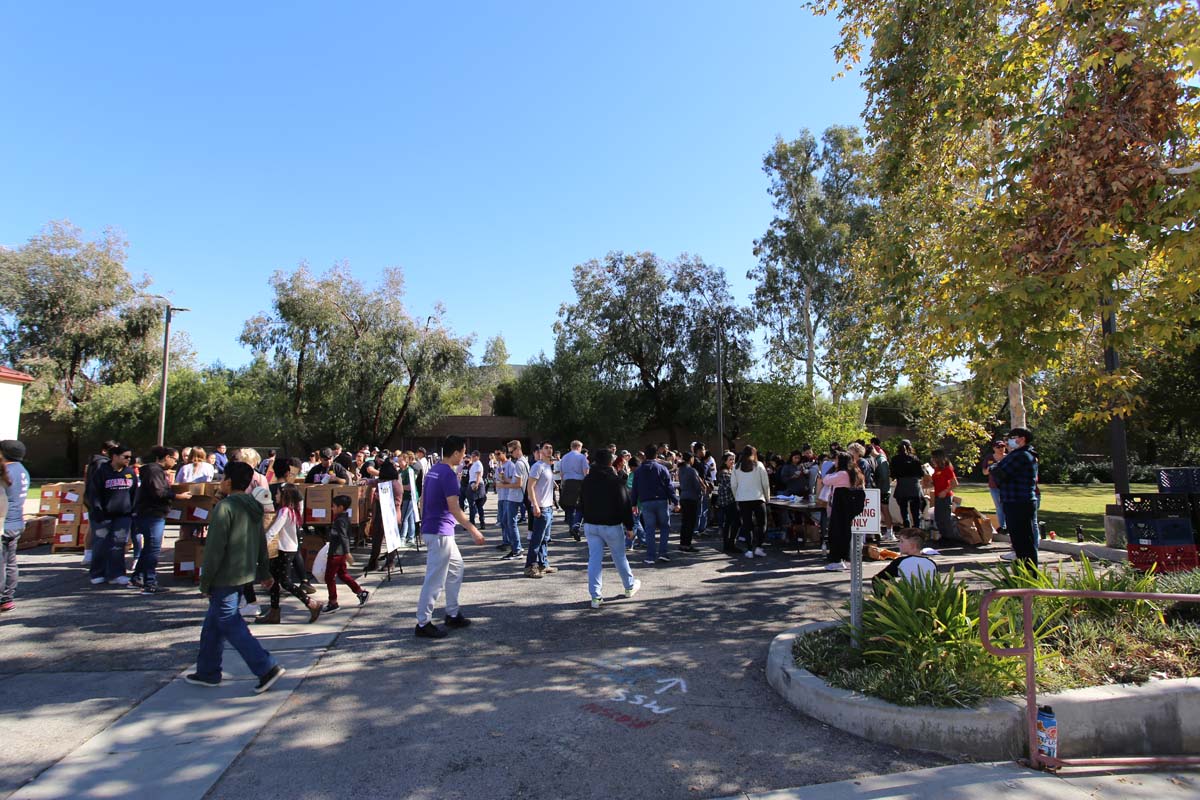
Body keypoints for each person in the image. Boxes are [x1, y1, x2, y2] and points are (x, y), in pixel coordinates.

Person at [186, 461, 285, 693]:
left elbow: (214, 549)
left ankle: (265, 666)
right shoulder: (254, 506)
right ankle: (208, 671)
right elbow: (261, 542)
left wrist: (205, 581)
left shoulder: (225, 508)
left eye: (223, 478)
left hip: (225, 576)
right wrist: (263, 572)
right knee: (213, 624)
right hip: (244, 572)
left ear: (228, 481)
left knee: (229, 622)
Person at [414, 435, 485, 639]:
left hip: (436, 530)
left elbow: (423, 501)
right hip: (440, 533)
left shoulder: (434, 471)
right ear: (455, 453)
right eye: (463, 452)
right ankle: (423, 622)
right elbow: (455, 508)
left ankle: (452, 613)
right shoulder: (447, 474)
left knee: (456, 568)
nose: (464, 456)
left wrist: (423, 525)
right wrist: (473, 530)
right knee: (435, 579)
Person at [579, 448, 640, 609]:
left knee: (594, 559)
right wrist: (629, 526)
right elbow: (624, 504)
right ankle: (629, 586)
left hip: (591, 524)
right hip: (611, 525)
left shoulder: (587, 480)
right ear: (609, 462)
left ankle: (595, 596)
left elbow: (581, 503)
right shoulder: (614, 480)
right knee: (619, 557)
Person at [131, 446, 191, 594]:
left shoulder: (153, 471)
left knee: (149, 548)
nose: (175, 463)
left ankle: (137, 577)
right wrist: (178, 497)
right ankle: (150, 582)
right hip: (152, 514)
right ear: (166, 457)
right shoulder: (154, 471)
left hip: (150, 513)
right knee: (153, 549)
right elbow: (159, 492)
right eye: (174, 459)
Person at [260, 483, 322, 624]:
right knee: (275, 582)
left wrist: (261, 546)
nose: (275, 496)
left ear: (284, 495)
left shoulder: (284, 512)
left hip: (285, 550)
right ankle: (274, 612)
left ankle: (311, 603)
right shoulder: (292, 511)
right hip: (287, 548)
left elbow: (273, 531)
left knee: (285, 582)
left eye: (277, 494)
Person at [87, 443, 138, 586]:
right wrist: (97, 510)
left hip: (123, 515)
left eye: (130, 457)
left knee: (118, 544)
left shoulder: (129, 472)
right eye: (125, 457)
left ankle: (117, 574)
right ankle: (98, 573)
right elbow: (93, 493)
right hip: (103, 515)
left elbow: (134, 493)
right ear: (115, 457)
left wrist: (133, 511)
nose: (128, 459)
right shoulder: (101, 471)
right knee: (101, 543)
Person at [990, 427, 1040, 566]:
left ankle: (1028, 574)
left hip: (1019, 502)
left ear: (1022, 439)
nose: (1008, 442)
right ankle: (1022, 572)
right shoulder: (1022, 454)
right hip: (1016, 501)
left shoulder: (1021, 455)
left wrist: (994, 467)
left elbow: (1000, 472)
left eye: (1012, 438)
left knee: (1023, 541)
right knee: (1019, 541)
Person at [630, 444, 678, 566]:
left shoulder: (639, 471)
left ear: (645, 455)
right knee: (664, 527)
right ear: (656, 455)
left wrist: (633, 504)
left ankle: (650, 556)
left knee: (649, 529)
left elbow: (635, 489)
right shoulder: (662, 468)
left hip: (646, 502)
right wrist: (675, 501)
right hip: (661, 500)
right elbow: (669, 486)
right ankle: (663, 553)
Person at [323, 495, 369, 613]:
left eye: (333, 506)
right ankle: (360, 592)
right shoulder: (342, 518)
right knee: (343, 575)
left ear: (341, 507)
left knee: (329, 577)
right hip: (339, 552)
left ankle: (333, 602)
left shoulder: (340, 521)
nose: (332, 508)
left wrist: (347, 553)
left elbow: (344, 537)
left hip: (336, 553)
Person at [0, 440, 30, 612]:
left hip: (4, 523)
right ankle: (7, 597)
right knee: (10, 561)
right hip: (16, 521)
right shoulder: (22, 471)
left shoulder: (6, 471)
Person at [822, 453, 864, 571]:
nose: (834, 462)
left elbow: (825, 480)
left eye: (836, 460)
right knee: (845, 532)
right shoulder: (854, 473)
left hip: (840, 505)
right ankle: (845, 559)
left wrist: (832, 469)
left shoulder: (841, 473)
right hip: (848, 506)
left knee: (836, 533)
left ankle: (837, 559)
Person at [364, 458, 404, 574]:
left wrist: (378, 497)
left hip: (392, 514)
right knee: (376, 539)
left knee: (391, 540)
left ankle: (390, 562)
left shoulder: (395, 484)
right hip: (380, 514)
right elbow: (373, 482)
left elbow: (396, 502)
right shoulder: (383, 481)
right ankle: (373, 562)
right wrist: (366, 480)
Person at [731, 445, 771, 559]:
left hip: (743, 499)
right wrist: (767, 498)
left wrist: (736, 497)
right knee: (762, 524)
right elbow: (765, 484)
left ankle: (749, 549)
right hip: (758, 498)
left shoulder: (736, 467)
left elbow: (733, 485)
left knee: (747, 525)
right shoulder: (759, 465)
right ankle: (758, 547)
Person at [524, 442, 558, 578]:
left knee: (545, 539)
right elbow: (530, 487)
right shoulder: (537, 466)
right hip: (541, 508)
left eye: (551, 447)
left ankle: (543, 564)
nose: (549, 450)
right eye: (546, 448)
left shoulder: (548, 466)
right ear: (541, 451)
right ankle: (530, 566)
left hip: (548, 508)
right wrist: (536, 505)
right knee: (536, 540)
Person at [872, 528, 937, 592]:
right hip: (928, 600)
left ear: (913, 545)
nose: (899, 544)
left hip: (906, 600)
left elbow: (877, 579)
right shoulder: (931, 563)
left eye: (902, 541)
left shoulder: (901, 562)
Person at [495, 441, 527, 560]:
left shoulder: (518, 463)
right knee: (506, 522)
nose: (510, 454)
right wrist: (504, 479)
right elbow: (513, 481)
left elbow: (518, 484)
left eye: (511, 451)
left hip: (514, 497)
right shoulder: (522, 462)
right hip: (514, 497)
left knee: (510, 523)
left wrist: (502, 485)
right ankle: (515, 546)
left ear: (517, 449)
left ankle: (516, 549)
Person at [558, 440, 589, 542]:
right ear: (579, 447)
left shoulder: (564, 457)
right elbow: (586, 471)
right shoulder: (582, 457)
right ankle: (576, 526)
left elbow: (561, 473)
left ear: (571, 447)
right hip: (579, 483)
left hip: (567, 482)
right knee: (579, 506)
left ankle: (572, 527)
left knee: (570, 507)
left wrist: (563, 484)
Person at [890, 440, 924, 530]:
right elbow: (921, 473)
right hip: (914, 485)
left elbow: (892, 474)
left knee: (903, 510)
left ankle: (906, 527)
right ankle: (917, 528)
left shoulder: (895, 459)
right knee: (915, 510)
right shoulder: (915, 458)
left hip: (902, 486)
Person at [930, 450, 959, 542]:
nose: (932, 460)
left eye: (933, 458)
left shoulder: (947, 469)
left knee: (945, 518)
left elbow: (955, 483)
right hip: (938, 496)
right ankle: (943, 536)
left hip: (945, 496)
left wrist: (945, 491)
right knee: (938, 517)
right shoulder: (936, 469)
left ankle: (950, 538)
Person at [676, 453, 702, 553]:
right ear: (690, 459)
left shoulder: (681, 469)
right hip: (691, 498)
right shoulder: (692, 470)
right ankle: (687, 544)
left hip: (683, 497)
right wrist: (699, 495)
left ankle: (683, 543)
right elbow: (697, 485)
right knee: (690, 523)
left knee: (685, 522)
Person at [981, 440, 1009, 532]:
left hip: (1007, 486)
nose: (1001, 449)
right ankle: (1002, 526)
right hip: (994, 486)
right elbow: (984, 472)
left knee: (1007, 505)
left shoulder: (1008, 457)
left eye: (1002, 447)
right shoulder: (989, 458)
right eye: (998, 447)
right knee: (999, 506)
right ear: (994, 448)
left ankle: (1009, 525)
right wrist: (991, 468)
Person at [715, 451, 739, 552]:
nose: (732, 461)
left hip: (730, 501)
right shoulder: (725, 472)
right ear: (725, 461)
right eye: (730, 459)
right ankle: (729, 544)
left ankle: (729, 544)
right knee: (734, 522)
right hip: (728, 501)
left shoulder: (731, 470)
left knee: (730, 523)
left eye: (733, 459)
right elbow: (732, 486)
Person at [467, 451, 487, 529]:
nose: (472, 457)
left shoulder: (478, 463)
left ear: (477, 456)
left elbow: (478, 475)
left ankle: (475, 522)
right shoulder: (473, 464)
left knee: (475, 505)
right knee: (476, 506)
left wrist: (476, 484)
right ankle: (478, 522)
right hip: (473, 482)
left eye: (473, 456)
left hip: (476, 483)